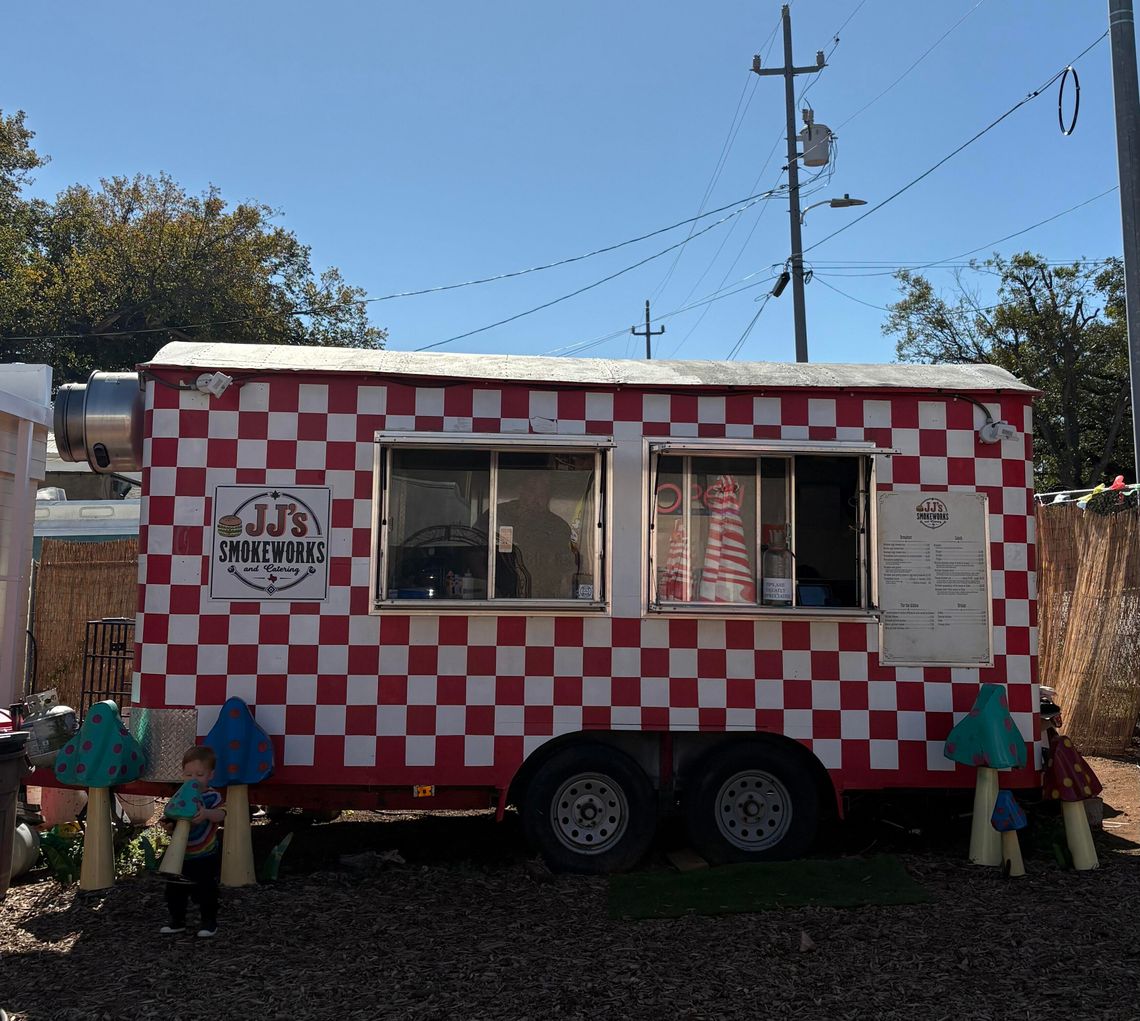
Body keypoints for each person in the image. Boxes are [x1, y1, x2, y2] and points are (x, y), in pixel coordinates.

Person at [160, 746, 226, 938]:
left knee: (205, 890)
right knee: (174, 890)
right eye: (188, 775)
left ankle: (209, 922)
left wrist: (206, 814)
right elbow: (173, 815)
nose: (193, 779)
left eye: (199, 774)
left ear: (210, 775)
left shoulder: (212, 796)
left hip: (204, 853)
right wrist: (168, 825)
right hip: (181, 854)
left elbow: (222, 814)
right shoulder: (180, 795)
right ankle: (177, 921)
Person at [479, 469, 575, 598]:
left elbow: (566, 567)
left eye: (543, 493)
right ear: (521, 489)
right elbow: (474, 552)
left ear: (549, 496)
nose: (536, 498)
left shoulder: (559, 527)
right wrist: (487, 587)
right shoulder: (497, 515)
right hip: (499, 597)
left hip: (544, 597)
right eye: (532, 490)